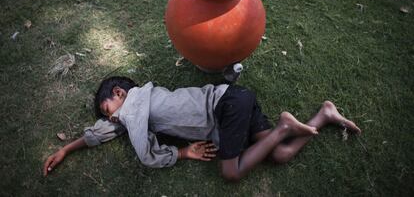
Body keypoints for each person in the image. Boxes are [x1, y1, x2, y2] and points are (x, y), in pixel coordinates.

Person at [43, 76, 361, 181]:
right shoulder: (131, 114)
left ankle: (282, 127)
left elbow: (144, 154)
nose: (111, 120)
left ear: (120, 95)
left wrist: (180, 153)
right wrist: (66, 149)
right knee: (279, 155)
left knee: (231, 172)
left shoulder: (136, 104)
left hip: (224, 106)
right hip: (234, 101)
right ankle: (324, 114)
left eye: (108, 112)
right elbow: (104, 131)